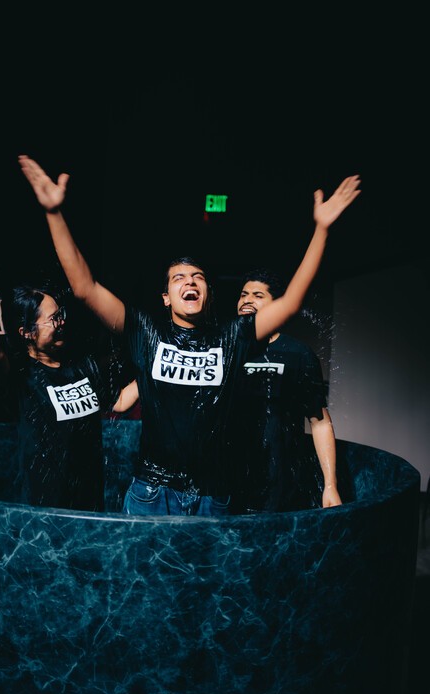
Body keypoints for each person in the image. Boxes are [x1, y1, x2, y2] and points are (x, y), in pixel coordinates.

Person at [18, 153, 360, 516]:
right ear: (166, 297)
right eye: (179, 278)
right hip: (152, 494)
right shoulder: (145, 333)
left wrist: (321, 230)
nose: (190, 282)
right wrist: (54, 213)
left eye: (198, 277)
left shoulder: (233, 338)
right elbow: (85, 288)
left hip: (213, 497)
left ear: (208, 293)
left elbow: (290, 303)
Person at [0, 250, 119, 512]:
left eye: (61, 315)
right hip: (45, 515)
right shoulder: (22, 377)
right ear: (27, 332)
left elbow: (118, 402)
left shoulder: (80, 366)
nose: (61, 323)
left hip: (90, 509)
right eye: (53, 319)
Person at [231, 268, 342, 514]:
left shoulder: (298, 354)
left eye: (258, 295)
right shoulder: (225, 349)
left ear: (277, 305)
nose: (247, 300)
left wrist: (330, 485)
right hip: (228, 486)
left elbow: (320, 421)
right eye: (243, 294)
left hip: (281, 486)